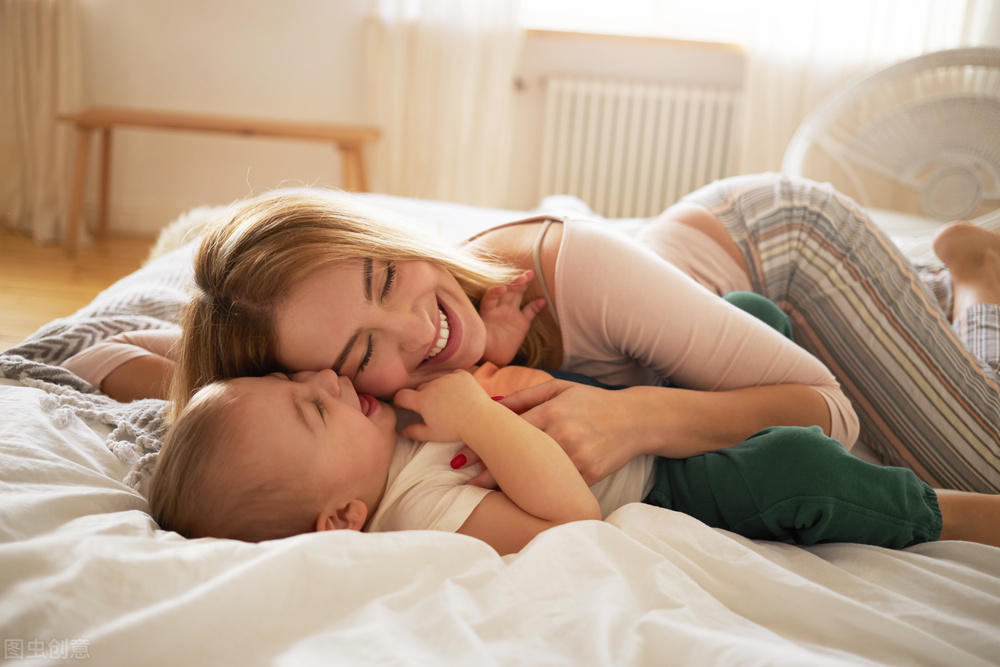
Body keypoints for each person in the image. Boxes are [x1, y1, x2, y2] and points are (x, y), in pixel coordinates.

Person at [66, 175, 1000, 493]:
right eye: (360, 354)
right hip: (689, 283)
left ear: (391, 243)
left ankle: (969, 274)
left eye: (387, 276)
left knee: (977, 467)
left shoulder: (568, 273)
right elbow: (110, 362)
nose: (415, 327)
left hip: (788, 249)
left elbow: (825, 411)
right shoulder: (371, 398)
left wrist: (636, 419)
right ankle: (935, 290)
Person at [148, 364, 1000, 556]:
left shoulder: (385, 419)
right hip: (665, 479)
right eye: (311, 404)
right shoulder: (416, 507)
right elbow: (570, 516)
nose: (330, 377)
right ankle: (940, 507)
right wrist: (475, 413)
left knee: (739, 322)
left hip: (627, 408)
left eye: (300, 374)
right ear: (339, 517)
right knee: (793, 471)